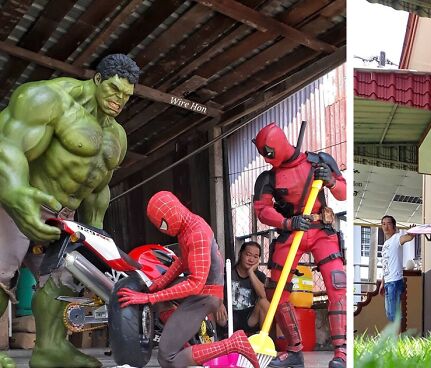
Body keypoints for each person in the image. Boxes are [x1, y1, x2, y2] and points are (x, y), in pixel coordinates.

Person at [0, 54, 138, 367]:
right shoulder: (48, 98)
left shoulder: (117, 136)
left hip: (63, 216)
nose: (119, 100)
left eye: (126, 97)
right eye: (114, 90)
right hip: (19, 198)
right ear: (99, 79)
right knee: (0, 274)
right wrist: (13, 191)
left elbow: (98, 185)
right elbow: (6, 145)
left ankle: (50, 349)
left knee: (60, 280)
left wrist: (96, 231)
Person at [117, 191, 259, 368]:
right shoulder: (189, 225)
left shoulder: (196, 234)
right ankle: (185, 344)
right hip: (203, 289)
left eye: (163, 224)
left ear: (173, 214)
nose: (163, 230)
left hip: (205, 294)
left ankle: (233, 343)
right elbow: (183, 261)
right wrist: (158, 285)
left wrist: (148, 297)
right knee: (161, 300)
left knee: (167, 359)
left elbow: (195, 284)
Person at [252, 122, 347, 368]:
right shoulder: (268, 177)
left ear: (279, 145)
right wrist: (287, 222)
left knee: (337, 284)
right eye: (263, 154)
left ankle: (342, 353)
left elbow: (344, 192)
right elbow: (261, 210)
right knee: (275, 289)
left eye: (268, 153)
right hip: (291, 231)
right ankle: (294, 351)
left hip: (321, 231)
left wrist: (331, 181)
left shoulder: (320, 161)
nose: (266, 159)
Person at [214, 241, 270, 335]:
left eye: (255, 257)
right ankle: (212, 340)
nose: (251, 259)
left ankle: (263, 340)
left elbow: (263, 296)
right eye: (248, 255)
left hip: (248, 318)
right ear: (240, 254)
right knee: (210, 303)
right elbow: (213, 289)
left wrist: (251, 272)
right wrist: (219, 303)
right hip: (227, 315)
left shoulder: (259, 276)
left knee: (264, 303)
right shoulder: (226, 272)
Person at [379, 215, 415, 323]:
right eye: (383, 224)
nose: (386, 226)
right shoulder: (385, 244)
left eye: (388, 224)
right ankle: (397, 336)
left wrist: (411, 235)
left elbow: (407, 238)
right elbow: (385, 265)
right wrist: (382, 283)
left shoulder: (397, 238)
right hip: (388, 282)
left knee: (393, 314)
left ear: (394, 226)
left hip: (395, 281)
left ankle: (397, 337)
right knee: (389, 314)